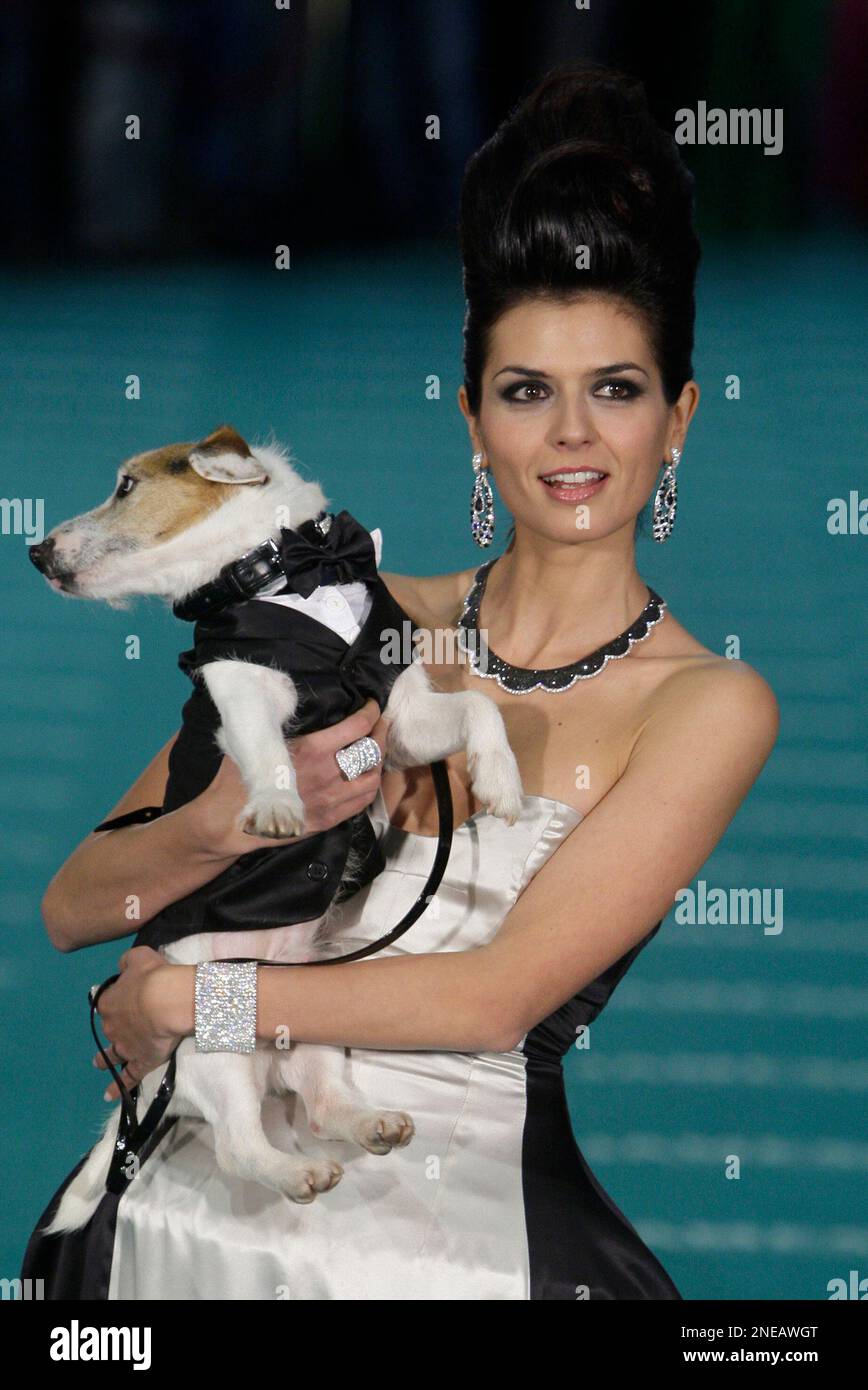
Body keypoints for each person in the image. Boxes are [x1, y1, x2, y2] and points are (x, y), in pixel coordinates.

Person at [21, 61, 779, 1300]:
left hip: (442, 1250)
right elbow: (75, 905)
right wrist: (212, 828)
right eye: (527, 392)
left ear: (678, 418)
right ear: (474, 420)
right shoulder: (352, 613)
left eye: (618, 391)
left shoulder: (704, 704)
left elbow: (489, 1002)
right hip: (191, 1226)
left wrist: (188, 1004)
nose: (574, 437)